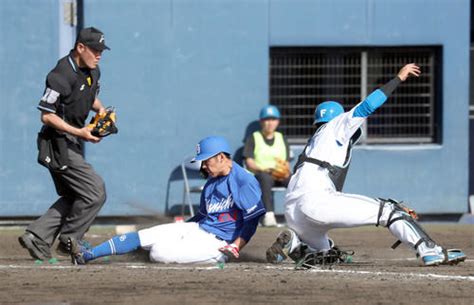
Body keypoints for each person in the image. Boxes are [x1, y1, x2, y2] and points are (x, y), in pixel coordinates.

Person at [266, 64, 467, 266]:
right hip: (316, 204)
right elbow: (368, 106)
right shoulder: (336, 125)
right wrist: (398, 78)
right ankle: (429, 250)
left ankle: (297, 246)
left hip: (293, 214)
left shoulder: (313, 145)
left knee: (328, 253)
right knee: (391, 211)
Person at [73, 136, 266, 264]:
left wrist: (236, 245)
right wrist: (179, 230)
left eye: (206, 161)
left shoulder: (243, 180)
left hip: (218, 245)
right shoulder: (211, 184)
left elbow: (252, 219)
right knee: (146, 235)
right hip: (200, 230)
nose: (204, 166)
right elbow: (202, 217)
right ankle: (89, 254)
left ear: (222, 157)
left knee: (158, 252)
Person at [19, 27, 111, 261]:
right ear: (80, 47)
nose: (99, 54)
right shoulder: (61, 74)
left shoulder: (93, 71)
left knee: (76, 196)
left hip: (72, 142)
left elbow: (88, 97)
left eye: (102, 50)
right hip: (57, 142)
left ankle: (37, 236)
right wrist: (79, 132)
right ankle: (71, 239)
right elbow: (46, 115)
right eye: (95, 49)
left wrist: (101, 109)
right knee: (95, 191)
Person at [243, 105, 291, 227]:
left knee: (292, 179)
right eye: (267, 119)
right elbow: (249, 162)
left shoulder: (281, 138)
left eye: (273, 119)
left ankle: (296, 214)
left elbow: (286, 162)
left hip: (278, 175)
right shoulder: (254, 137)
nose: (270, 123)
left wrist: (284, 171)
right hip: (260, 174)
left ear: (277, 121)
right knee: (265, 178)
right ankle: (268, 215)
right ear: (261, 121)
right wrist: (263, 169)